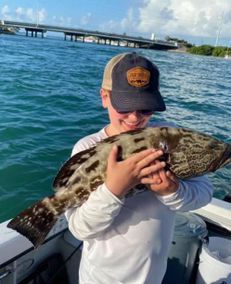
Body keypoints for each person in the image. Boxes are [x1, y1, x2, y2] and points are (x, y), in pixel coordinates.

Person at [65, 52, 213, 284]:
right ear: (105, 97)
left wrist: (172, 191)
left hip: (153, 276)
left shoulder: (170, 137)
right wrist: (113, 190)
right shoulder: (87, 147)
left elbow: (204, 192)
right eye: (124, 107)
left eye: (145, 109)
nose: (135, 118)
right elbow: (79, 228)